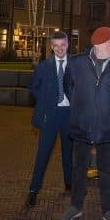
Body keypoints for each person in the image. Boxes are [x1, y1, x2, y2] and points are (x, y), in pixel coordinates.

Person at [58, 27, 110, 220]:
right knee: (79, 169)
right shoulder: (76, 63)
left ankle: (108, 210)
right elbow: (69, 88)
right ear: (96, 43)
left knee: (107, 170)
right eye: (108, 41)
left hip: (108, 128)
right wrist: (83, 107)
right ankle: (75, 206)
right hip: (81, 125)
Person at [25, 31, 73, 208]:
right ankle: (33, 190)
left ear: (67, 45)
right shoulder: (44, 66)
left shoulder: (75, 64)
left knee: (69, 153)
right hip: (50, 116)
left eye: (63, 45)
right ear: (51, 47)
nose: (60, 49)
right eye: (56, 45)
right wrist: (46, 102)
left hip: (69, 114)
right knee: (43, 154)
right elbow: (34, 87)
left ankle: (69, 184)